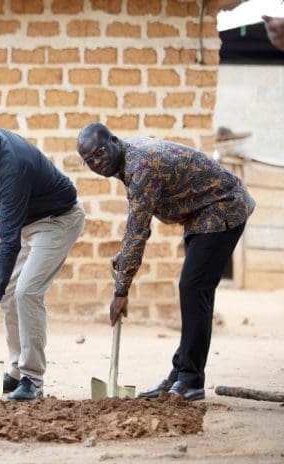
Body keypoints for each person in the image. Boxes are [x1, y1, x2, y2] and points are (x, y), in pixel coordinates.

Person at [76, 123, 256, 401]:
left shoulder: (142, 166)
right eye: (88, 161)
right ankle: (181, 373)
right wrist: (125, 257)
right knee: (196, 291)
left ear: (113, 139)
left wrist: (121, 291)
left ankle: (191, 379)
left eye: (99, 154)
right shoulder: (129, 160)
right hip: (200, 215)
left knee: (194, 289)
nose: (96, 163)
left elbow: (137, 231)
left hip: (223, 206)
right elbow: (137, 225)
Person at [0, 110, 85, 401]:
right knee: (10, 292)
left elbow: (8, 242)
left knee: (26, 292)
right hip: (27, 220)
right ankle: (17, 371)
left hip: (56, 221)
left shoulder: (13, 164)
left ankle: (33, 379)